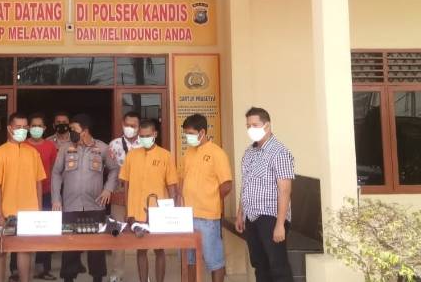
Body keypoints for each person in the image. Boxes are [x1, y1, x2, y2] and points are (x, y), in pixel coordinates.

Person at [51, 114, 118, 282]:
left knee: (96, 245)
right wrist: (56, 199)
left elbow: (114, 169)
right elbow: (56, 173)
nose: (70, 132)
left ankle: (97, 277)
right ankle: (68, 278)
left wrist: (108, 189)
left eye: (74, 129)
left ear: (85, 131)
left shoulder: (102, 148)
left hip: (95, 205)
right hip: (70, 205)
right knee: (70, 244)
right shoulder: (65, 148)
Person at [235, 107, 295, 282]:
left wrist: (280, 224)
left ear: (267, 126)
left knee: (278, 267)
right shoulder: (249, 152)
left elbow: (285, 190)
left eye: (255, 125)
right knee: (260, 265)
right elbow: (246, 185)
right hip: (251, 217)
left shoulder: (279, 152)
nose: (250, 129)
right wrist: (240, 213)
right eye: (248, 126)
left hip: (271, 217)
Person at [0, 112, 46, 282]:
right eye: (18, 127)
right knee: (1, 251)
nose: (22, 130)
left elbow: (38, 183)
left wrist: (39, 210)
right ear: (9, 128)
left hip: (29, 212)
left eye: (24, 127)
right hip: (6, 212)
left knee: (24, 250)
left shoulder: (33, 153)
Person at [119, 119, 177, 282]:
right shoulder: (132, 155)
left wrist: (172, 212)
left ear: (155, 134)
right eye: (141, 136)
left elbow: (172, 185)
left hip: (158, 212)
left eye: (147, 136)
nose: (144, 139)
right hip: (137, 211)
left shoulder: (165, 155)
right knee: (141, 249)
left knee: (159, 249)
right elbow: (126, 185)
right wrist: (127, 210)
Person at [179, 114, 233, 282]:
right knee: (189, 259)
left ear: (202, 132)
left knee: (214, 260)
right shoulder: (188, 153)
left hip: (208, 218)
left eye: (190, 133)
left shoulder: (217, 153)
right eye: (186, 134)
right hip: (187, 216)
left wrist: (211, 199)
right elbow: (183, 179)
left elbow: (227, 185)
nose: (188, 137)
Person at [107, 111, 142, 282]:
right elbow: (109, 171)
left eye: (133, 126)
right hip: (119, 194)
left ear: (139, 127)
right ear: (122, 124)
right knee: (117, 233)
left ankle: (143, 274)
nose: (130, 128)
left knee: (142, 233)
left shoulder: (145, 144)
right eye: (127, 125)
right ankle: (117, 273)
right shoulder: (113, 145)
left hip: (140, 195)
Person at [26, 112, 58, 280]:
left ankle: (43, 268)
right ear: (28, 128)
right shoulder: (23, 145)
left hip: (45, 193)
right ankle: (16, 270)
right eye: (33, 126)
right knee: (19, 231)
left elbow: (53, 170)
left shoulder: (50, 146)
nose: (36, 128)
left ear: (45, 128)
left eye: (39, 126)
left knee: (45, 231)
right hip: (25, 194)